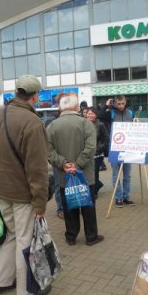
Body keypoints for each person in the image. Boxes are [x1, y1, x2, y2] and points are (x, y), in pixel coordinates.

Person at [0, 74, 51, 295]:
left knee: (11, 235)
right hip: (22, 194)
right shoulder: (33, 123)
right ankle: (27, 290)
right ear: (35, 96)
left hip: (0, 192)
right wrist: (40, 202)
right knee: (24, 239)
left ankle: (0, 281)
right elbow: (38, 168)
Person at [47, 95, 104, 246]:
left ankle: (71, 236)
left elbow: (48, 150)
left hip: (64, 175)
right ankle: (91, 237)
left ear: (61, 108)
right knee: (88, 206)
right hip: (85, 175)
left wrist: (64, 164)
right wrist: (77, 165)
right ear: (77, 107)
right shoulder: (86, 124)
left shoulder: (52, 126)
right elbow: (91, 148)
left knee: (69, 207)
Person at [106, 95, 135, 207]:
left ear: (125, 102)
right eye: (118, 104)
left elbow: (134, 126)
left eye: (122, 103)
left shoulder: (130, 113)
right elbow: (100, 115)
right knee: (116, 175)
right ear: (115, 103)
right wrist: (107, 106)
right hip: (115, 147)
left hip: (128, 147)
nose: (121, 106)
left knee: (127, 175)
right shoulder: (111, 113)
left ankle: (126, 197)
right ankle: (118, 198)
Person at [46, 91, 67, 219]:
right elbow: (47, 143)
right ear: (58, 104)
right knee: (59, 185)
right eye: (63, 102)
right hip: (57, 158)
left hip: (72, 157)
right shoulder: (52, 120)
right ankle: (61, 209)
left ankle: (72, 206)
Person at [86, 107, 110, 199]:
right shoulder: (83, 124)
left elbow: (106, 138)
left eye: (92, 113)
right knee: (88, 173)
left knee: (94, 172)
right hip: (87, 154)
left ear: (96, 115)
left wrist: (99, 149)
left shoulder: (100, 125)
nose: (90, 115)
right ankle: (97, 185)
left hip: (97, 154)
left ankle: (94, 191)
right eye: (89, 113)